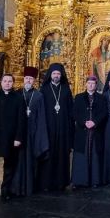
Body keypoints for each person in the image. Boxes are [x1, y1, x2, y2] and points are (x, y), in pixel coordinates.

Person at [11, 66, 49, 197]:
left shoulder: (39, 96)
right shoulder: (16, 94)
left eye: (31, 79)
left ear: (34, 81)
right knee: (17, 161)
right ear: (23, 79)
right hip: (18, 133)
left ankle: (29, 187)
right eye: (26, 78)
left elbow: (42, 117)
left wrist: (40, 135)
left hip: (33, 133)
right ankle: (15, 188)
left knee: (31, 161)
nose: (28, 81)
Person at [36, 63, 74, 191]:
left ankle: (61, 183)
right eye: (54, 74)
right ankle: (46, 183)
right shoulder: (44, 89)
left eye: (58, 74)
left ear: (61, 75)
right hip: (49, 128)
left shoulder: (66, 90)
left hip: (63, 128)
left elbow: (70, 111)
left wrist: (70, 129)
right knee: (49, 155)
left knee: (62, 155)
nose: (56, 76)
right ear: (50, 75)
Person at [71, 76, 108, 187]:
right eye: (89, 83)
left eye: (93, 83)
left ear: (96, 85)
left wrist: (95, 122)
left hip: (95, 132)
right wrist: (84, 122)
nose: (91, 85)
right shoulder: (78, 97)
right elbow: (74, 113)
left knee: (95, 156)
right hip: (82, 132)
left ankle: (94, 181)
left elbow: (104, 113)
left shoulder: (101, 98)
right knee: (81, 156)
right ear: (86, 84)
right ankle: (79, 181)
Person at [0, 74, 24, 201]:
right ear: (1, 82)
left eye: (10, 81)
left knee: (9, 164)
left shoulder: (18, 97)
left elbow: (21, 120)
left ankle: (5, 189)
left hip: (11, 136)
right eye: (5, 81)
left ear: (13, 83)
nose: (7, 83)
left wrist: (18, 137)